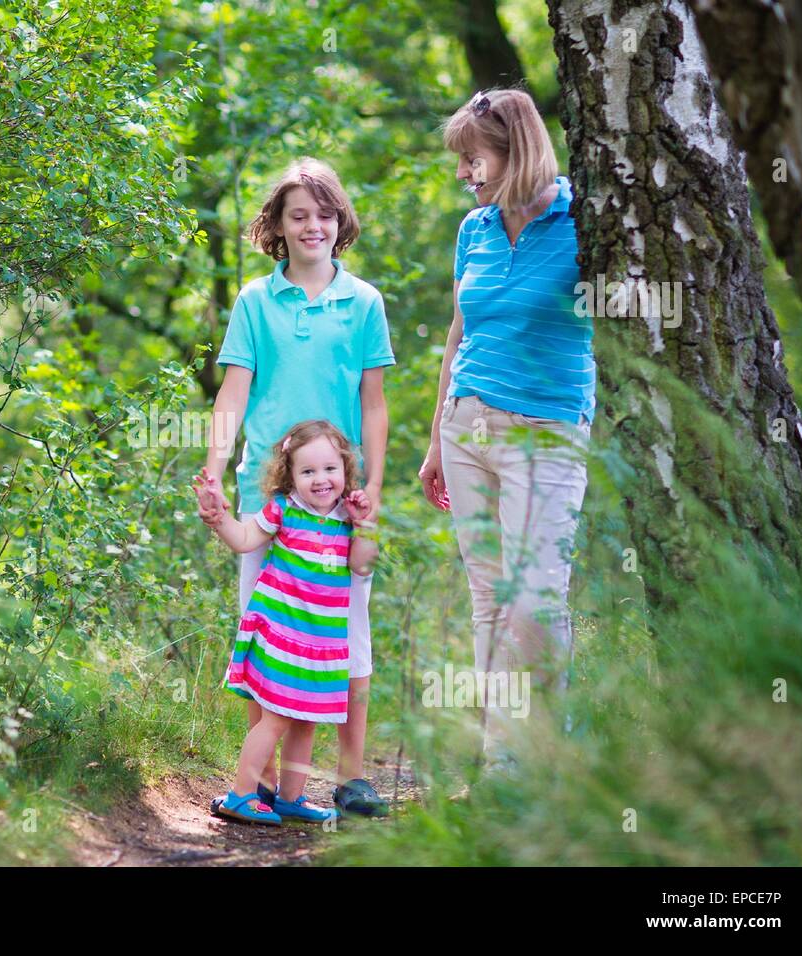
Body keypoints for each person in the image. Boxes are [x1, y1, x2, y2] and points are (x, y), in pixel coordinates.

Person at [199, 157, 395, 817]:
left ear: (341, 222)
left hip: (338, 498)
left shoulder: (364, 302)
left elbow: (374, 403)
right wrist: (215, 466)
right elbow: (234, 390)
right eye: (298, 215)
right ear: (278, 228)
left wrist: (374, 485)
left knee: (348, 636)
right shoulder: (257, 301)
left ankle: (350, 778)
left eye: (324, 213)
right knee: (269, 632)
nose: (313, 225)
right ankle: (259, 783)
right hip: (268, 492)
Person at [418, 89, 594, 769]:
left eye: (474, 159)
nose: (466, 172)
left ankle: (547, 757)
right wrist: (437, 437)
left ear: (515, 149)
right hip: (468, 427)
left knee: (536, 598)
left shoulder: (587, 219)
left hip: (548, 428)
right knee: (489, 597)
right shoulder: (476, 229)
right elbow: (459, 334)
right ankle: (501, 767)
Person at [194, 420, 378, 824]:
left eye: (330, 469)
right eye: (307, 471)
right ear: (290, 476)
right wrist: (218, 518)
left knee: (306, 720)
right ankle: (240, 793)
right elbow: (244, 540)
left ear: (345, 470)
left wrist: (365, 524)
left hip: (321, 641)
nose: (320, 479)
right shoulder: (283, 511)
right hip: (281, 635)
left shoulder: (348, 519)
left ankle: (291, 798)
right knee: (275, 718)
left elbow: (361, 564)